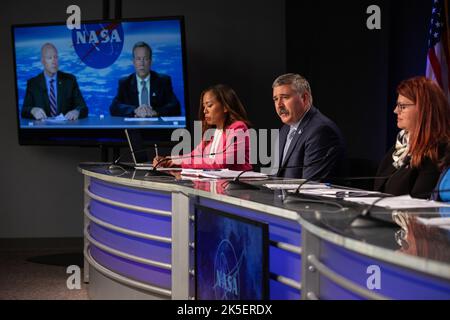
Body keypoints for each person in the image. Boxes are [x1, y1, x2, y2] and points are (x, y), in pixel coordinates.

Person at [374, 76, 450, 199]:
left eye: (402, 106)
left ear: (423, 109)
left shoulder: (437, 151)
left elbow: (418, 203)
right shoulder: (399, 147)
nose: (395, 111)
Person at [153, 84, 252, 171]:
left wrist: (180, 162)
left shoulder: (238, 128)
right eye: (204, 107)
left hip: (237, 188)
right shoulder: (211, 132)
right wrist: (169, 159)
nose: (205, 111)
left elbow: (221, 162)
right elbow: (195, 155)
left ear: (225, 107)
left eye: (209, 105)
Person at [272, 73, 345, 180]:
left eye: (285, 97)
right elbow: (275, 176)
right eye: (275, 99)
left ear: (304, 98)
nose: (279, 105)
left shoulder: (320, 131)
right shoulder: (285, 130)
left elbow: (310, 186)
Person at [109, 41, 181, 118]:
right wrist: (135, 110)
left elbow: (176, 107)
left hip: (157, 127)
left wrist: (155, 112)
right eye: (138, 59)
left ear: (150, 61)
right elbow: (114, 107)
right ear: (133, 62)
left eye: (145, 59)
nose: (142, 63)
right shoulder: (125, 83)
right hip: (133, 128)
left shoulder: (163, 81)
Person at [21, 43, 88, 120]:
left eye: (55, 57)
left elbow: (83, 108)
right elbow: (24, 110)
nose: (54, 61)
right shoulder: (33, 83)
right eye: (49, 58)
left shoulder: (70, 80)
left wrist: (77, 111)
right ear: (43, 61)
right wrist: (32, 110)